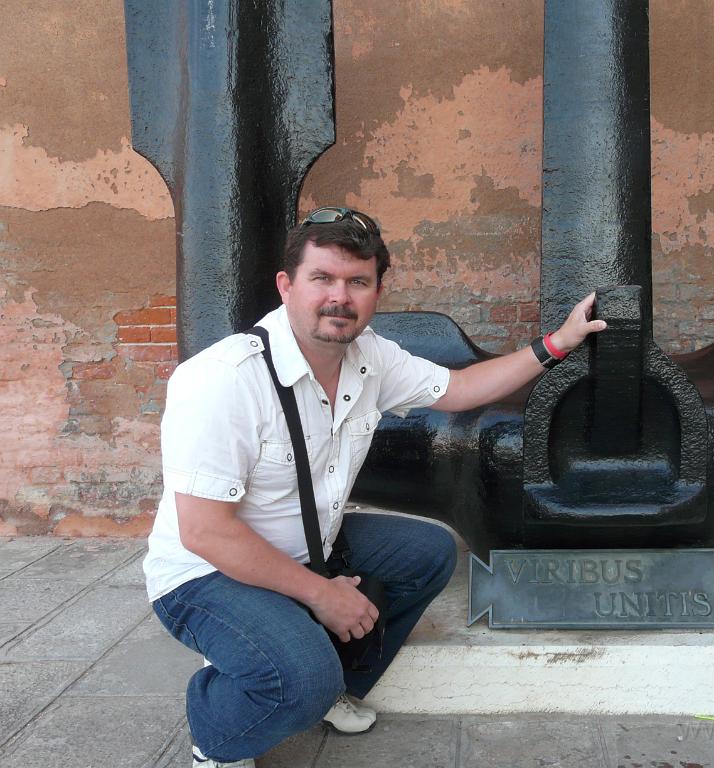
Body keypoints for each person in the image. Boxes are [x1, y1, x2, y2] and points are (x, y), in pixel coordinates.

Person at [142, 206, 606, 767]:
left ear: (376, 291)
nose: (340, 297)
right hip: (204, 576)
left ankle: (332, 682)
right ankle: (216, 732)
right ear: (286, 286)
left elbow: (459, 389)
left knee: (428, 553)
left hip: (308, 547)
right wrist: (322, 594)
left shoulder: (369, 357)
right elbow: (206, 533)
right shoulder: (222, 381)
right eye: (323, 278)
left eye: (357, 282)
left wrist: (557, 343)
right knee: (296, 677)